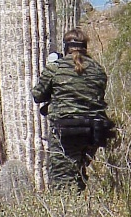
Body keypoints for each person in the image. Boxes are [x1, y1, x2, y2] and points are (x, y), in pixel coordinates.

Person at [32, 28, 114, 191]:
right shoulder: (98, 69)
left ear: (66, 47)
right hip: (94, 132)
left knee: (62, 180)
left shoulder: (56, 68)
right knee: (78, 173)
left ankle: (68, 206)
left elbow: (38, 95)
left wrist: (49, 69)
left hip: (66, 131)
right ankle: (80, 202)